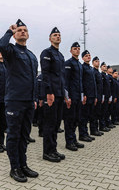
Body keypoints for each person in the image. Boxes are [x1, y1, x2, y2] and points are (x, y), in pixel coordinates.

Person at [0, 19, 39, 182]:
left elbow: (34, 79)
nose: (22, 32)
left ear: (28, 34)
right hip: (15, 100)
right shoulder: (11, 51)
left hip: (28, 101)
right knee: (14, 136)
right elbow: (1, 46)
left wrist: (34, 98)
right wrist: (9, 31)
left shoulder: (31, 55)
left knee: (24, 135)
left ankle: (23, 165)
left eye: (25, 30)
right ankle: (14, 167)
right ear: (15, 34)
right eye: (19, 30)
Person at [40, 27, 66, 162]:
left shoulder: (60, 56)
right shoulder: (47, 53)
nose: (58, 37)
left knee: (56, 124)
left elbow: (62, 77)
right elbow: (45, 74)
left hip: (60, 94)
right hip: (51, 95)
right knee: (49, 124)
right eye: (55, 35)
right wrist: (49, 92)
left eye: (59, 35)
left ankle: (53, 149)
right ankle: (47, 152)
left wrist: (65, 94)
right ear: (50, 38)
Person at [64, 42, 85, 151]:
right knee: (69, 120)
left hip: (78, 97)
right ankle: (69, 142)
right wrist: (67, 97)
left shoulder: (79, 65)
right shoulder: (68, 63)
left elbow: (81, 82)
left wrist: (83, 95)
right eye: (75, 48)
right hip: (71, 97)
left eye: (78, 48)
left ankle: (74, 139)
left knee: (77, 119)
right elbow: (65, 81)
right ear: (71, 51)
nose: (77, 50)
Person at [79, 50, 97, 142]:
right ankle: (82, 134)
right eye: (86, 56)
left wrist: (95, 96)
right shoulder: (82, 68)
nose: (88, 57)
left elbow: (93, 84)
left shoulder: (90, 68)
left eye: (89, 55)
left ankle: (87, 133)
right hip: (86, 96)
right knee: (84, 116)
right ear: (82, 58)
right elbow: (81, 82)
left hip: (92, 95)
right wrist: (84, 94)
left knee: (90, 115)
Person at [91, 57, 104, 136]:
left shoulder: (98, 73)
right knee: (94, 114)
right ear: (93, 63)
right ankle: (93, 130)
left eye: (98, 61)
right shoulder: (93, 72)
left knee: (98, 113)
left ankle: (96, 129)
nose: (98, 63)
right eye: (96, 61)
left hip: (99, 95)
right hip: (95, 95)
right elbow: (94, 85)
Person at [99, 62, 111, 132]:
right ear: (101, 67)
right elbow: (102, 87)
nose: (105, 67)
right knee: (102, 112)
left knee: (106, 111)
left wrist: (109, 96)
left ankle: (105, 125)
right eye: (103, 66)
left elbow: (108, 88)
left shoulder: (106, 76)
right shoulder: (101, 75)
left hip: (107, 96)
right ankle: (102, 126)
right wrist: (103, 96)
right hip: (103, 96)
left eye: (106, 66)